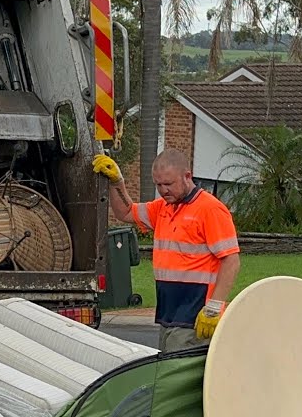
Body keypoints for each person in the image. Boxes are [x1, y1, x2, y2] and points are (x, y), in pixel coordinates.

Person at [95, 149, 241, 352]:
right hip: (170, 312)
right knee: (169, 370)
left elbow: (231, 260)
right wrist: (116, 183)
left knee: (176, 374)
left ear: (187, 176)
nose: (163, 190)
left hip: (195, 314)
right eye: (158, 185)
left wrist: (214, 308)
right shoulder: (163, 208)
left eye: (169, 184)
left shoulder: (210, 209)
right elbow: (126, 211)